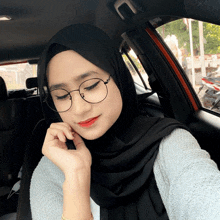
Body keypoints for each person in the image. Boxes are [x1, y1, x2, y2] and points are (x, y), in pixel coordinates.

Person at [30, 24, 220, 220]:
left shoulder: (168, 143)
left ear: (119, 76)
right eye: (61, 96)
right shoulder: (52, 169)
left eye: (92, 86)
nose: (79, 109)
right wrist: (76, 177)